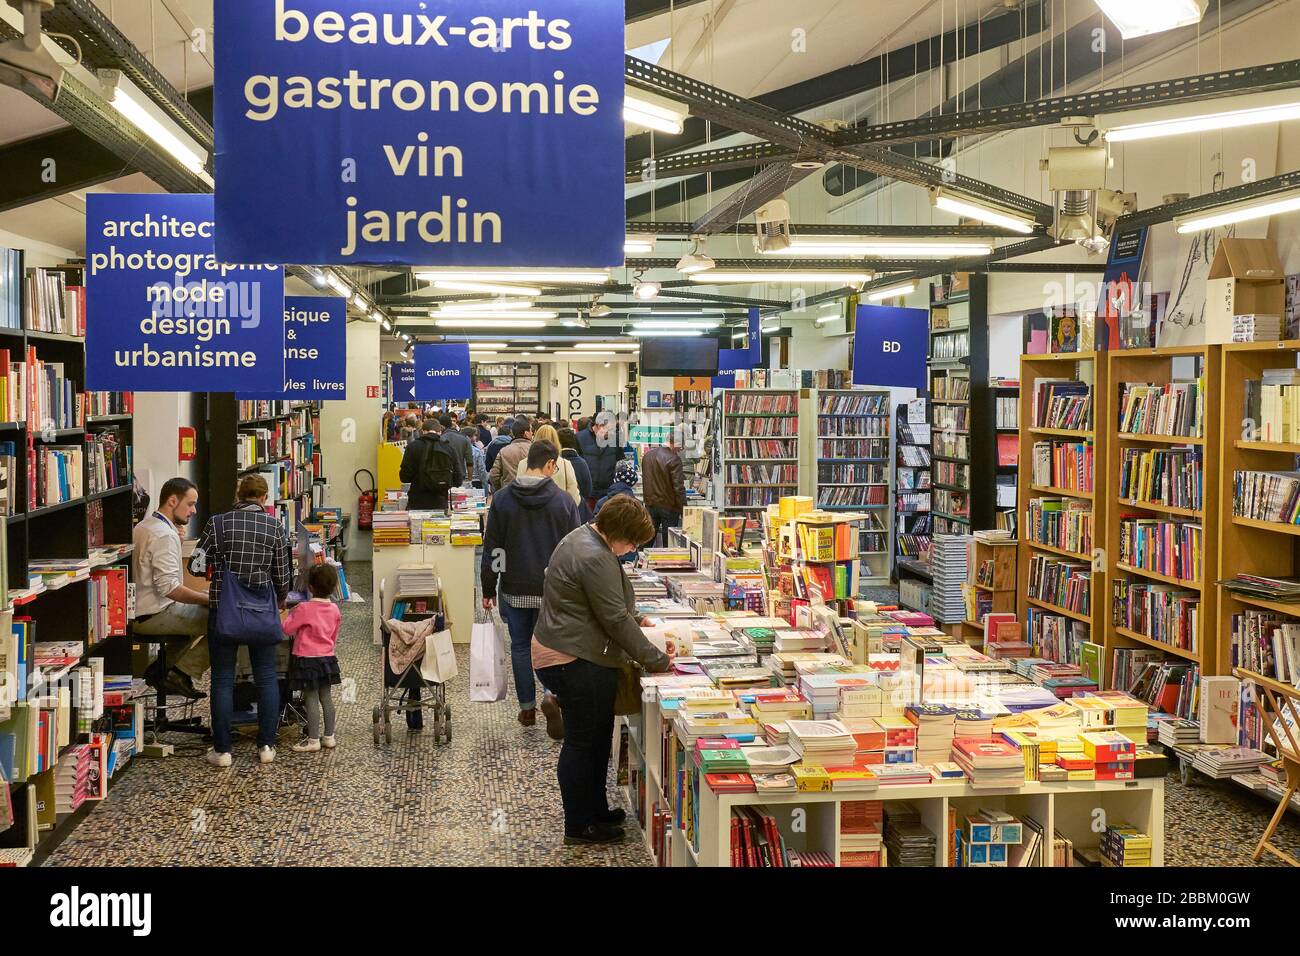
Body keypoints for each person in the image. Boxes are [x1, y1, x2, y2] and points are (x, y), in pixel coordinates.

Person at [533, 496, 674, 845]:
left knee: (596, 740)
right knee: (583, 743)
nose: (631, 550)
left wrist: (639, 620)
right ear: (619, 533)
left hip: (568, 649)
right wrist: (657, 659)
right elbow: (614, 619)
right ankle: (579, 824)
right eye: (633, 542)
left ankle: (595, 809)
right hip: (572, 658)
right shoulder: (595, 556)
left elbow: (607, 605)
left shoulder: (583, 537)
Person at [192, 474, 293, 768]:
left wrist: (218, 569)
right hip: (261, 612)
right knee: (266, 676)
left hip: (224, 612)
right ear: (264, 498)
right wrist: (281, 599)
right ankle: (266, 746)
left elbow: (196, 565)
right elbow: (283, 577)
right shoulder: (275, 527)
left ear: (239, 495)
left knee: (222, 679)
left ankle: (222, 751)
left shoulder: (217, 523)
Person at [481, 440, 581, 736]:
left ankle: (527, 708)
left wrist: (489, 587)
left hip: (514, 588)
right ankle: (551, 695)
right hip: (552, 591)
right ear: (551, 465)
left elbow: (494, 550)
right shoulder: (563, 502)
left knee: (521, 647)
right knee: (551, 648)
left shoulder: (502, 500)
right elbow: (574, 550)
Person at [133, 478, 211, 700]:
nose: (194, 510)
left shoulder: (145, 526)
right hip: (154, 614)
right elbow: (171, 590)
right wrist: (207, 599)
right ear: (172, 500)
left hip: (141, 609)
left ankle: (162, 670)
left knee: (200, 613)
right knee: (224, 622)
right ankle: (180, 673)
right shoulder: (163, 535)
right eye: (190, 503)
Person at [282, 563, 343, 754]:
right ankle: (329, 737)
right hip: (327, 659)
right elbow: (334, 635)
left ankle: (313, 739)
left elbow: (287, 629)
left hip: (306, 659)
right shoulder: (334, 610)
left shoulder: (303, 608)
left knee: (311, 699)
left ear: (310, 587)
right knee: (327, 698)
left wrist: (289, 614)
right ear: (333, 588)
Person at [400, 417, 465, 510]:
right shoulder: (448, 448)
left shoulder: (412, 447)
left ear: (422, 431)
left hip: (417, 501)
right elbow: (458, 479)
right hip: (440, 501)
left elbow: (404, 477)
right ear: (440, 432)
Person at [642, 433, 687, 547]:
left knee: (647, 536)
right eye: (680, 447)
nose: (679, 450)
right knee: (669, 542)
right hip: (669, 506)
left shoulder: (647, 456)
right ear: (676, 443)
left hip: (650, 504)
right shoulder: (674, 459)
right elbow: (679, 488)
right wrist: (684, 510)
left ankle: (641, 561)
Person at [577, 411, 621, 506]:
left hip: (608, 495)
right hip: (586, 495)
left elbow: (620, 463)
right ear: (599, 426)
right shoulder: (580, 438)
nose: (612, 432)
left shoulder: (615, 439)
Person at [533, 424, 581, 506]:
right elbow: (575, 498)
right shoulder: (565, 464)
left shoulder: (523, 464)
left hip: (531, 514)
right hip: (559, 512)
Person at [489, 417, 533, 492]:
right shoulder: (535, 450)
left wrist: (501, 488)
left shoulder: (504, 451)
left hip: (509, 492)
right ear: (526, 433)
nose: (532, 433)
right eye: (531, 431)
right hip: (531, 492)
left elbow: (494, 475)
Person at [557, 427, 593, 506]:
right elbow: (588, 490)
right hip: (578, 506)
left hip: (558, 507)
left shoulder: (554, 463)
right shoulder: (582, 463)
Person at [440, 413, 474, 481]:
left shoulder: (439, 439)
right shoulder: (464, 438)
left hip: (443, 477)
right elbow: (470, 462)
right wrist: (470, 480)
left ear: (441, 426)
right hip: (460, 475)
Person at [462, 424, 488, 488]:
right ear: (469, 437)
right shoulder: (476, 451)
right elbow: (481, 469)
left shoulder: (457, 450)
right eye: (474, 435)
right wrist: (484, 481)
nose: (475, 437)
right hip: (475, 481)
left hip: (461, 481)